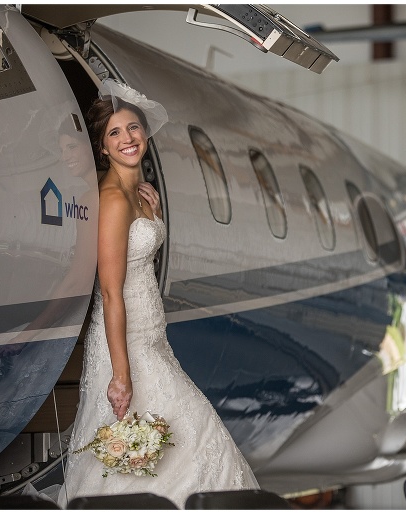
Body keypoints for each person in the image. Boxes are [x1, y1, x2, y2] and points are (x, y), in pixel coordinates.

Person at [57, 79, 258, 508]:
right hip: (125, 343)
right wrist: (121, 373)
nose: (127, 139)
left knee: (167, 445)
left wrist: (156, 216)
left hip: (152, 337)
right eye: (114, 133)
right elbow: (110, 293)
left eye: (133, 129)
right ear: (103, 149)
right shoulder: (112, 200)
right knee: (180, 436)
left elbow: (138, 253)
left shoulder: (142, 196)